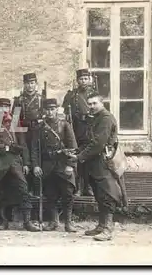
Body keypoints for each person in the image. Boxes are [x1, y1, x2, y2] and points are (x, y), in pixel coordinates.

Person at [67, 92, 124, 241]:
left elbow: (98, 144)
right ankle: (101, 225)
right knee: (99, 195)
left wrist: (79, 157)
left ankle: (108, 229)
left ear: (102, 103)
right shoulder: (95, 119)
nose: (91, 106)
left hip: (103, 162)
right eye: (89, 104)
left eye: (94, 103)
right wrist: (78, 150)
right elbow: (89, 141)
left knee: (107, 195)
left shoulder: (105, 119)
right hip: (94, 162)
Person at [0, 98, 40, 231]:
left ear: (10, 109)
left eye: (6, 107)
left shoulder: (15, 123)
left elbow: (23, 144)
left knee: (23, 189)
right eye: (1, 107)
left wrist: (26, 163)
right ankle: (4, 221)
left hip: (15, 161)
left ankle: (27, 221)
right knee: (1, 192)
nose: (4, 110)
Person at [30, 98, 78, 232]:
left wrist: (70, 165)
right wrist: (36, 165)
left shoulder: (65, 125)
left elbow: (73, 147)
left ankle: (68, 223)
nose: (50, 112)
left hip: (63, 163)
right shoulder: (39, 128)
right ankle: (53, 222)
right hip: (47, 164)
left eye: (52, 109)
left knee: (67, 194)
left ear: (57, 109)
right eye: (47, 110)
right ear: (44, 111)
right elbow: (34, 149)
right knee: (50, 195)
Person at [62, 68, 97, 196]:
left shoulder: (95, 95)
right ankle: (78, 187)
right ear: (77, 81)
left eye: (86, 79)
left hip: (90, 129)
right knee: (76, 158)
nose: (83, 81)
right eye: (81, 79)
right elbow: (65, 113)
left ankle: (89, 187)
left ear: (89, 79)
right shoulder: (71, 95)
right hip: (76, 130)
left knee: (89, 159)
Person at [12, 73, 44, 198]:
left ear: (36, 84)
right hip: (24, 131)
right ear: (24, 85)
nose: (30, 86)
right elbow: (15, 118)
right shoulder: (19, 100)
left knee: (37, 155)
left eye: (32, 83)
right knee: (25, 157)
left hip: (38, 130)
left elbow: (46, 115)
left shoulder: (41, 99)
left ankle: (38, 188)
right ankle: (27, 187)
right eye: (27, 83)